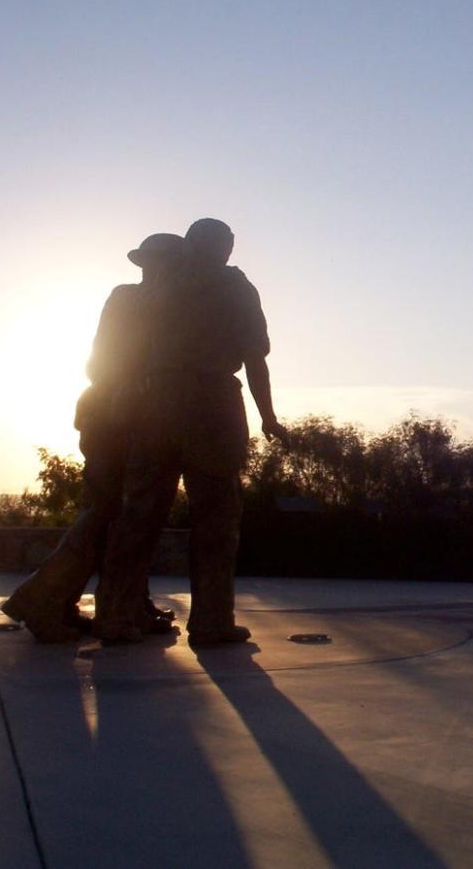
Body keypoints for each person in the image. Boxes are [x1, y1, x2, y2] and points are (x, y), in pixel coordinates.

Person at [95, 217, 288, 646]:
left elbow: (119, 348)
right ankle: (211, 621)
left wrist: (133, 385)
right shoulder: (236, 287)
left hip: (157, 404)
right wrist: (268, 416)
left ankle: (116, 615)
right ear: (226, 246)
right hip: (212, 403)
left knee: (140, 512)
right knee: (216, 517)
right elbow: (256, 358)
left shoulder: (155, 290)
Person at [1, 234, 183, 642]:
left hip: (122, 415)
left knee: (128, 518)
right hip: (118, 417)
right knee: (112, 516)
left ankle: (125, 603)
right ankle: (43, 600)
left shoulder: (143, 300)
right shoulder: (142, 300)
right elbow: (109, 362)